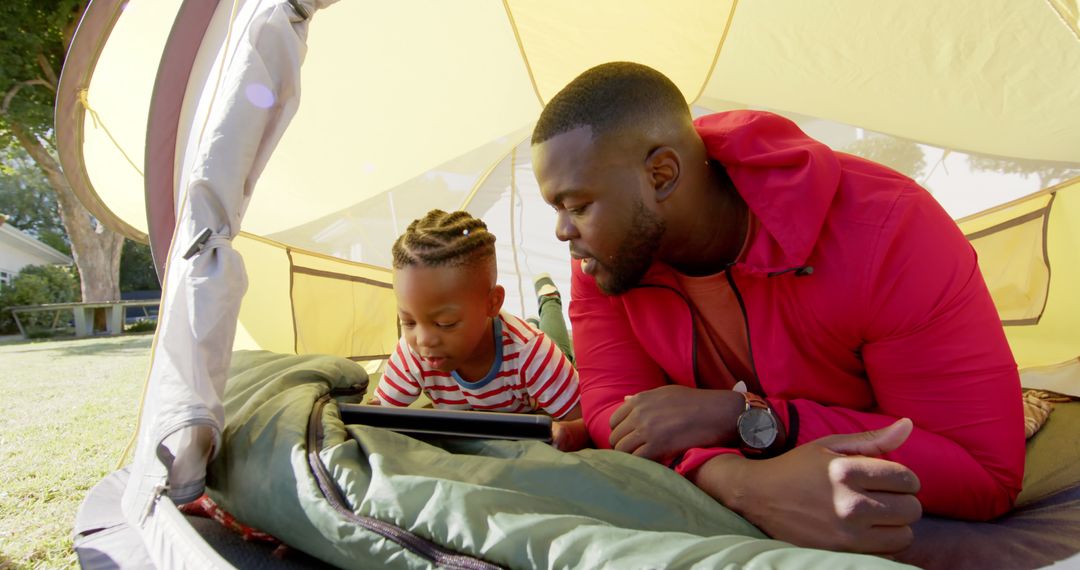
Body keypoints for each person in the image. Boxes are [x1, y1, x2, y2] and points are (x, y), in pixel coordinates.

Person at [529, 62, 1024, 553]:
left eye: (576, 206)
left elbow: (986, 475)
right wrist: (737, 482)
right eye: (557, 209)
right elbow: (613, 409)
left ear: (661, 175)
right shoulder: (609, 257)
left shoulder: (890, 232)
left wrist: (752, 419)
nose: (562, 233)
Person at [371, 209, 589, 452]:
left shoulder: (532, 353)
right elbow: (378, 414)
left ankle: (548, 298)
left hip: (536, 356)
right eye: (408, 322)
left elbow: (585, 421)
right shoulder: (412, 354)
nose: (423, 340)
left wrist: (570, 432)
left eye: (445, 323)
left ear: (492, 303)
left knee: (561, 348)